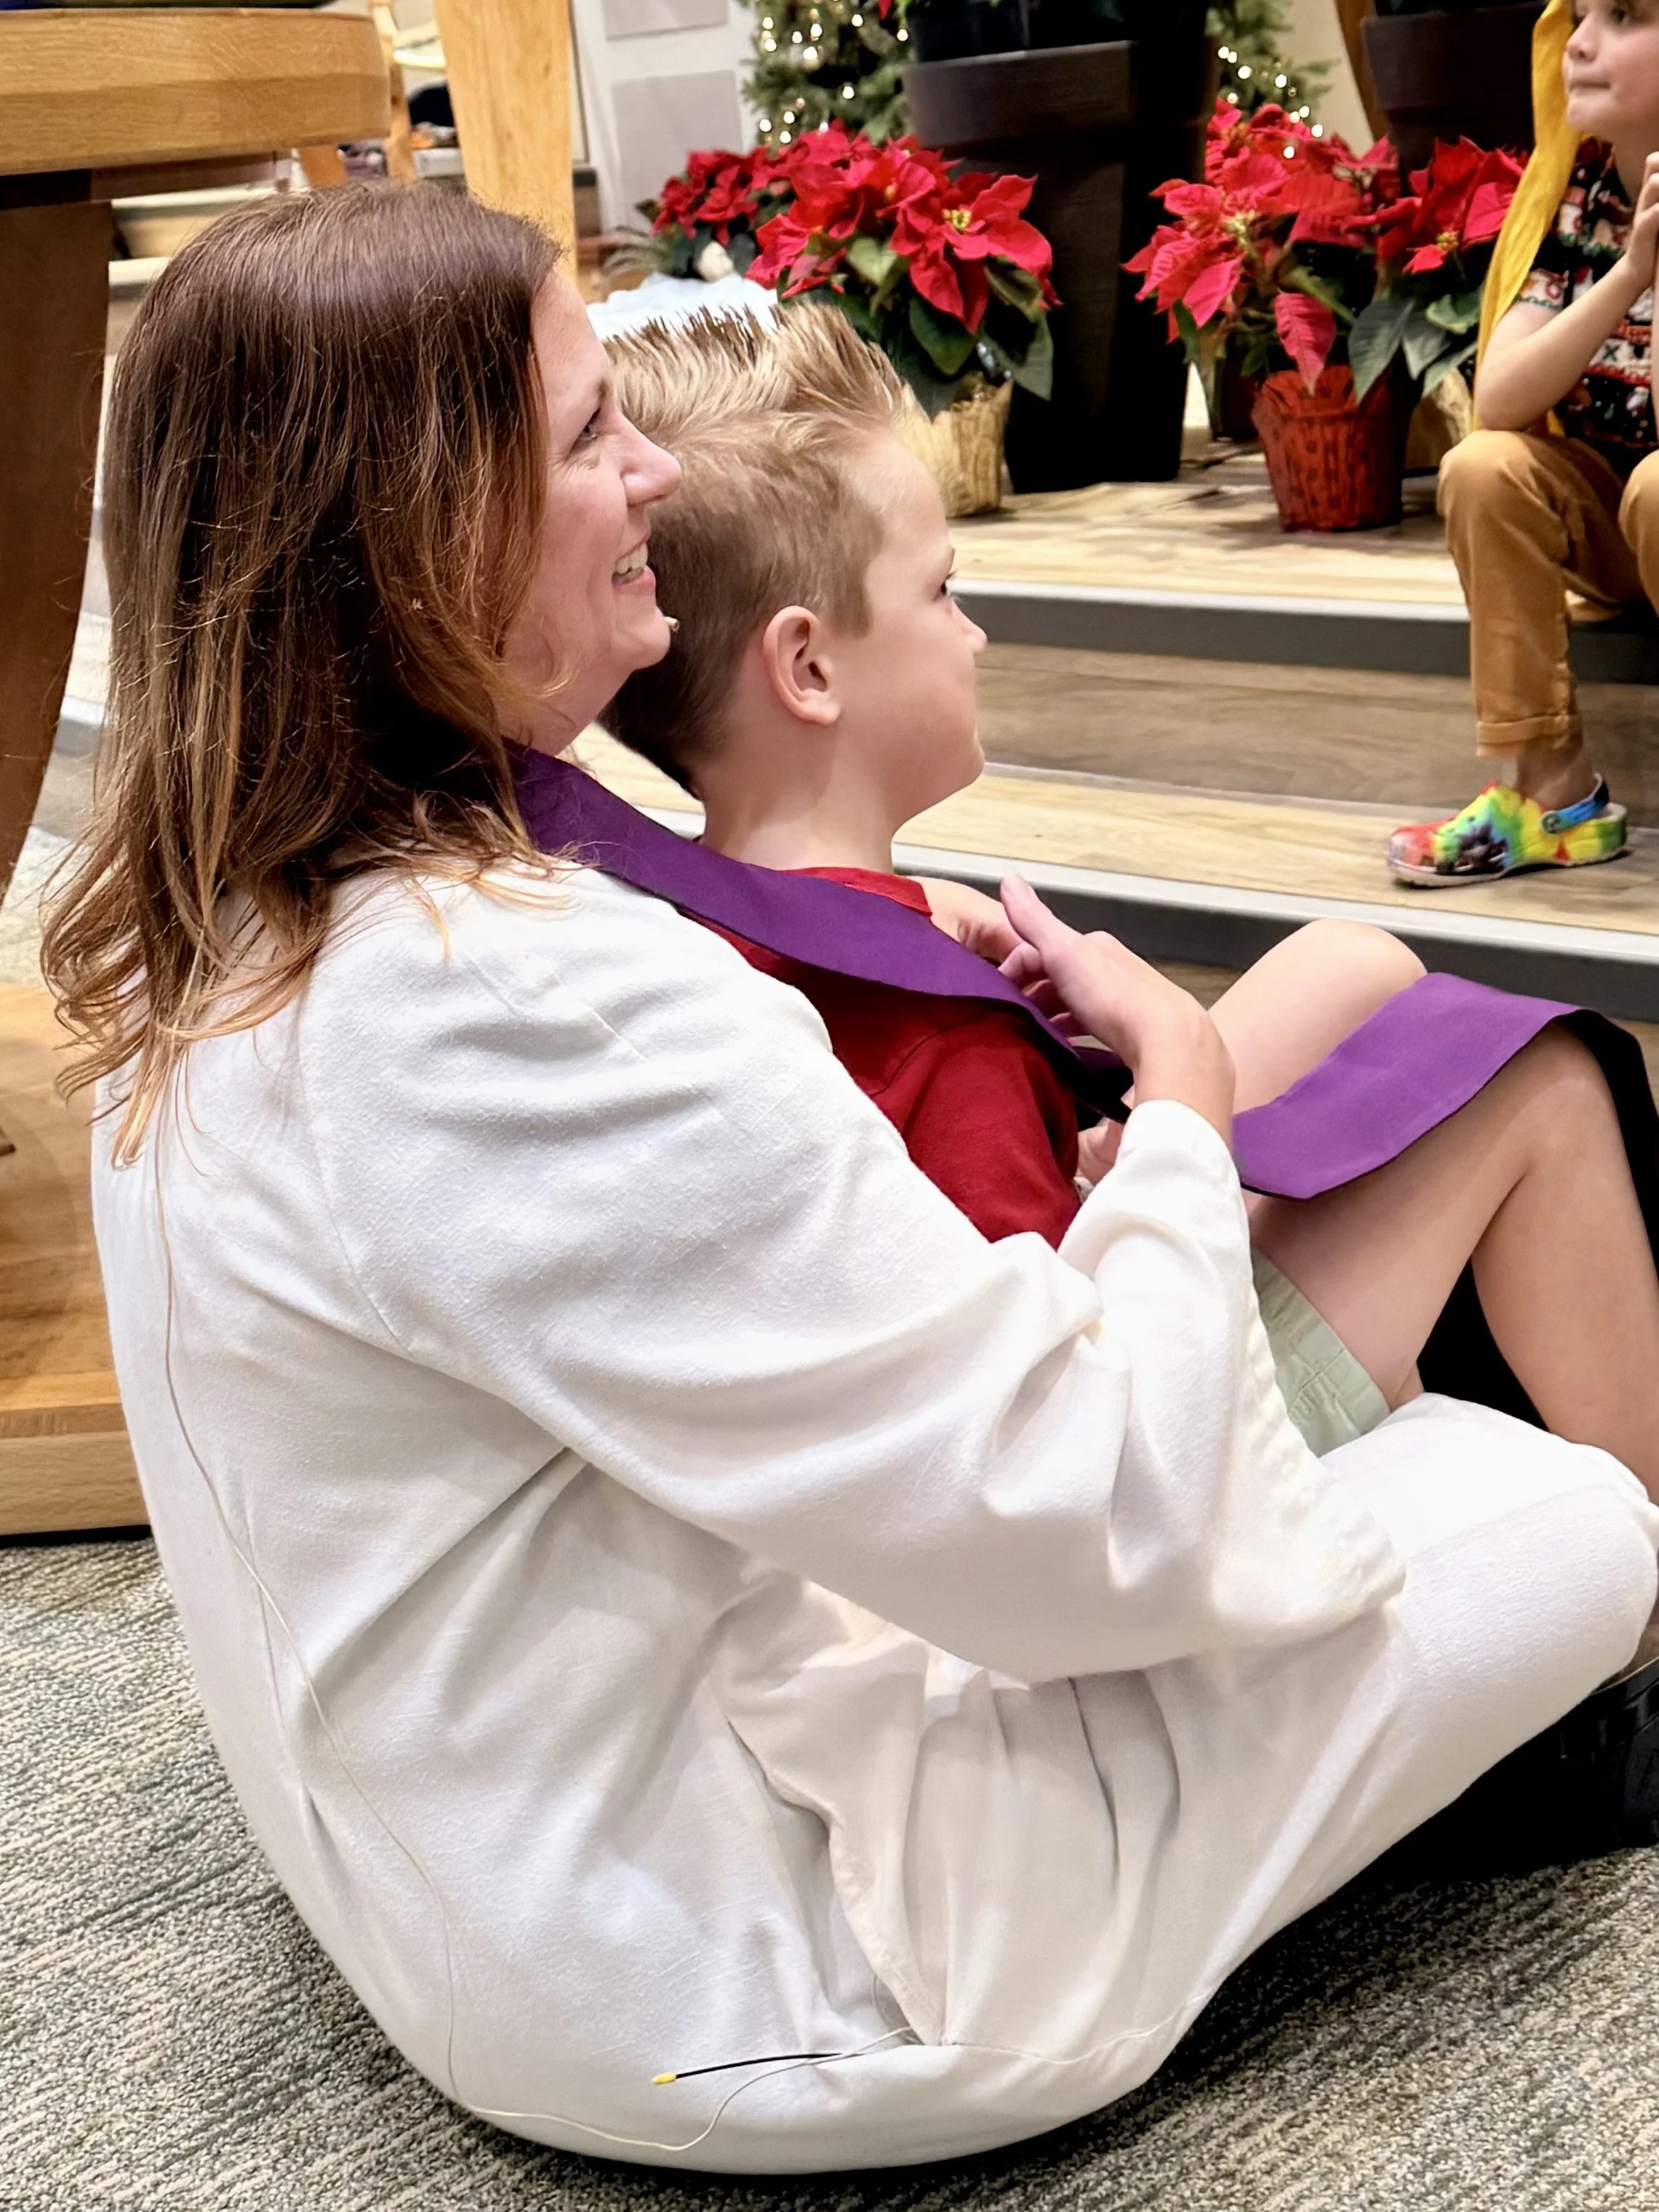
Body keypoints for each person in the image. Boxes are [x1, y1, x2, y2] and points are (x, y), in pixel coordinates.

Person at [47, 184, 1659, 2174]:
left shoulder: (236, 931)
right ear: (410, 538)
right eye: (579, 435)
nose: (642, 466)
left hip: (486, 1895)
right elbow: (1113, 1519)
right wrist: (1170, 1088)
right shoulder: (540, 995)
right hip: (766, 1988)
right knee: (1568, 1517)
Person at [602, 309, 1425, 1270]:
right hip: (1131, 1365)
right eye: (940, 591)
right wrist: (1175, 1087)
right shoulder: (944, 1040)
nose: (972, 635)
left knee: (1351, 963)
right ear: (808, 670)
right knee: (1517, 1088)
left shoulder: (671, 923)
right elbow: (1066, 1389)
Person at [1389, 0, 1659, 885]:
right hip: (1615, 524)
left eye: (1625, 16)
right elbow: (1499, 399)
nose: (1577, 42)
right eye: (1579, 14)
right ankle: (1555, 795)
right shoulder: (1578, 190)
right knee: (1482, 466)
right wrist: (1631, 272)